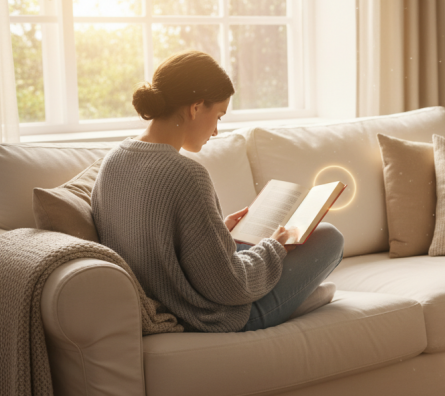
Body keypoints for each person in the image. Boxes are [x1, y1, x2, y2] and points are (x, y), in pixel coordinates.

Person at [91, 50, 343, 333]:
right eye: (219, 117)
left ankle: (298, 293)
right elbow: (231, 287)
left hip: (167, 294)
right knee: (329, 238)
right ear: (195, 108)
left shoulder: (112, 160)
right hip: (206, 315)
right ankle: (298, 300)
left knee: (247, 242)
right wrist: (275, 248)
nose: (215, 132)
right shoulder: (186, 174)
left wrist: (217, 231)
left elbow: (152, 241)